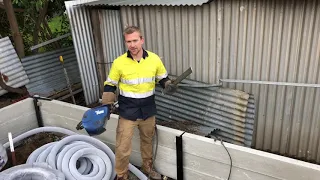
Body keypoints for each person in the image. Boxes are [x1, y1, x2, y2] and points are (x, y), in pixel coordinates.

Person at [101, 26, 177, 180]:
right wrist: (107, 104)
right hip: (128, 112)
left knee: (147, 141)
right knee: (123, 147)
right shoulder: (119, 62)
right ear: (126, 42)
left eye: (135, 40)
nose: (132, 45)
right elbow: (110, 84)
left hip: (148, 110)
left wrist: (168, 85)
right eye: (129, 41)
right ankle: (122, 175)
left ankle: (147, 169)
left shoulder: (154, 59)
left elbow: (162, 78)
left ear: (142, 40)